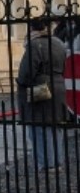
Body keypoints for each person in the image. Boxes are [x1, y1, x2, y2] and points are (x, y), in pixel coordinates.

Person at [16, 15, 67, 171]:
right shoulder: (58, 43)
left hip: (40, 86)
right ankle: (58, 161)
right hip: (58, 84)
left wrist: (21, 83)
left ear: (32, 28)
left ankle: (46, 163)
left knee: (39, 125)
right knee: (56, 125)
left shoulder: (34, 44)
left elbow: (26, 72)